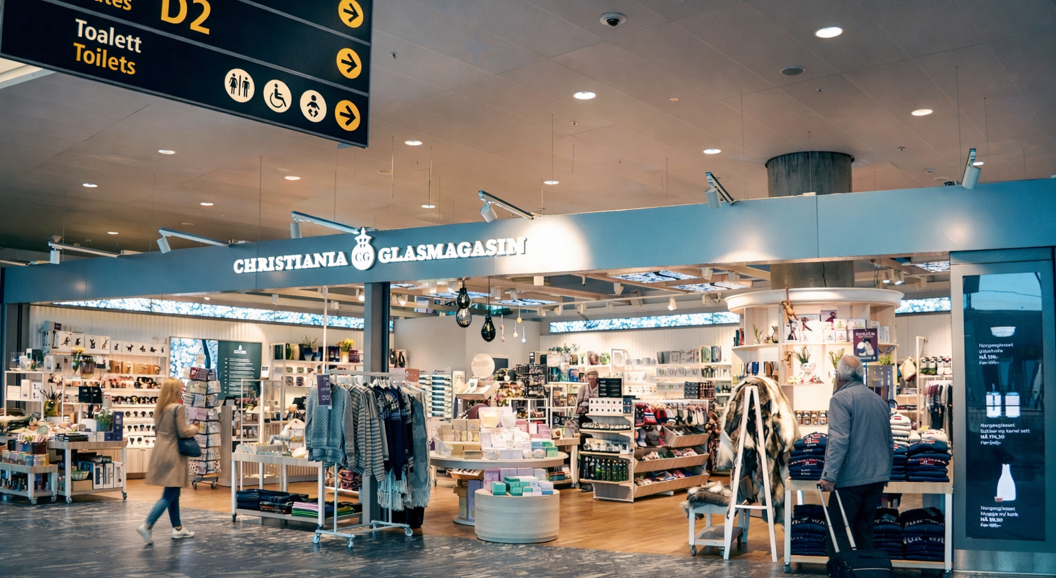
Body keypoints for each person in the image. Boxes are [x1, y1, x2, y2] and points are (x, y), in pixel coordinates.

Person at [819, 355, 893, 556]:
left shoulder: (840, 399)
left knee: (838, 532)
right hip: (876, 477)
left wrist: (829, 475)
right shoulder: (879, 401)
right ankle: (864, 570)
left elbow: (838, 439)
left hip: (850, 479)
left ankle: (843, 571)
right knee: (864, 530)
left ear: (839, 375)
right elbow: (888, 441)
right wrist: (886, 473)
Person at [137, 377, 199, 544]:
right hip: (173, 454)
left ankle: (178, 528)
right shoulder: (177, 408)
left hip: (161, 451)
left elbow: (158, 432)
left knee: (173, 491)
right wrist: (195, 428)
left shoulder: (160, 409)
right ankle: (148, 525)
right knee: (170, 493)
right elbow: (183, 432)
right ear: (176, 390)